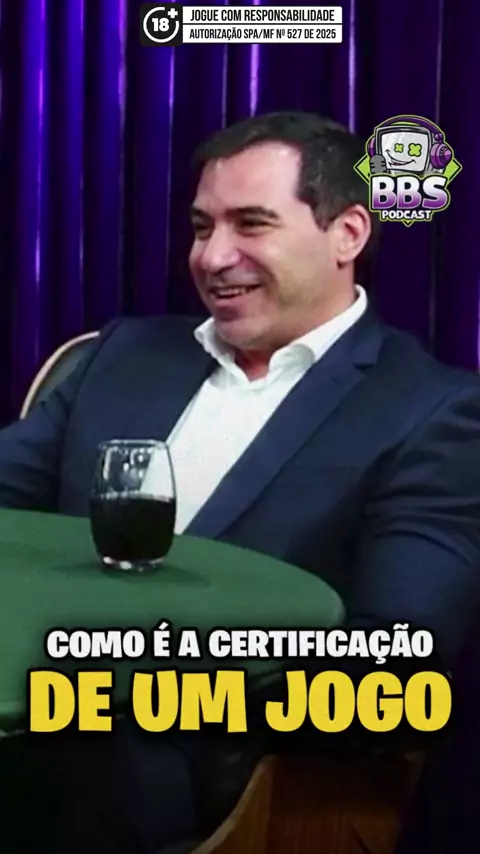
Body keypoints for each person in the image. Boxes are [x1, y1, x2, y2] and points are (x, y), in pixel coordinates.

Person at [1, 110, 480, 852]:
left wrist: (139, 693)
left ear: (348, 234)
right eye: (201, 228)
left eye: (251, 224)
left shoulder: (432, 411)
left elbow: (393, 668)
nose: (214, 256)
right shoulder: (124, 354)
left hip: (192, 768)